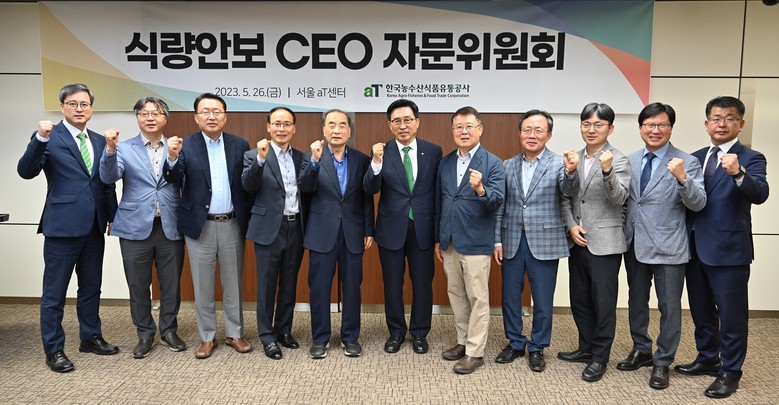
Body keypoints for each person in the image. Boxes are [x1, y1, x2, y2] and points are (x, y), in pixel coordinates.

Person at [17, 83, 118, 373]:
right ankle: (54, 349)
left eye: (84, 104)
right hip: (62, 227)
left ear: (91, 108)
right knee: (54, 293)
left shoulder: (98, 140)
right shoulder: (49, 137)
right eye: (72, 104)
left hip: (94, 226)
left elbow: (105, 182)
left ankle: (90, 337)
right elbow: (26, 171)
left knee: (91, 287)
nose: (79, 109)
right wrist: (40, 138)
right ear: (62, 107)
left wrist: (113, 216)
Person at [675, 96, 769, 398]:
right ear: (707, 124)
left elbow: (760, 194)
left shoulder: (751, 157)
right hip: (694, 248)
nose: (722, 124)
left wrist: (738, 173)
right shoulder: (695, 157)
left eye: (729, 118)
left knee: (732, 316)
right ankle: (707, 358)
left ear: (741, 124)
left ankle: (730, 372)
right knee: (701, 311)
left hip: (729, 251)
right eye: (716, 118)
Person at [617, 102, 706, 390]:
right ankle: (641, 349)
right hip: (634, 243)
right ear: (640, 128)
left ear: (671, 128)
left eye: (662, 125)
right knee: (636, 301)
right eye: (650, 125)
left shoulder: (686, 161)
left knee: (669, 307)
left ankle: (663, 360)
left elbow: (698, 203)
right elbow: (627, 202)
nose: (655, 130)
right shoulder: (630, 159)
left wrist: (682, 178)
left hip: (669, 246)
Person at [163, 93, 251, 359]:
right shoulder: (185, 145)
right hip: (199, 225)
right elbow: (172, 178)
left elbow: (246, 183)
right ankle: (207, 337)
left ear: (225, 116)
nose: (211, 116)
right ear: (196, 117)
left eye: (217, 111)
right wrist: (171, 157)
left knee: (233, 282)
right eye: (205, 111)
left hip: (231, 223)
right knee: (202, 284)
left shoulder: (239, 144)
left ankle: (235, 333)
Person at [493, 109, 579, 373]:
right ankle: (515, 342)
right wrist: (497, 241)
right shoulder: (507, 165)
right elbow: (501, 206)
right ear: (520, 133)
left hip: (545, 240)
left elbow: (568, 191)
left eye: (538, 130)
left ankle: (538, 346)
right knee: (510, 296)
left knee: (542, 299)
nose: (532, 135)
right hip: (511, 239)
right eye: (527, 130)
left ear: (548, 135)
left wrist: (572, 172)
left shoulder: (559, 164)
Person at [100, 97, 186, 359]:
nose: (150, 117)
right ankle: (145, 332)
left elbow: (182, 179)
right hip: (134, 226)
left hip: (170, 225)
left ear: (165, 118)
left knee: (171, 284)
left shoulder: (177, 146)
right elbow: (108, 177)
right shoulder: (123, 148)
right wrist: (110, 149)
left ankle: (169, 330)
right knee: (138, 284)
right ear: (137, 117)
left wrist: (173, 157)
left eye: (155, 113)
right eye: (144, 113)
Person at [557, 103, 631, 381]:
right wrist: (571, 226)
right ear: (580, 127)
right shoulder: (573, 157)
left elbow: (619, 198)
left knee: (603, 303)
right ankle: (586, 348)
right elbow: (565, 196)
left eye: (598, 125)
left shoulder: (619, 160)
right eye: (587, 124)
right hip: (577, 240)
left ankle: (600, 357)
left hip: (606, 243)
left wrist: (608, 171)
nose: (591, 129)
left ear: (610, 128)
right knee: (580, 300)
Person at [363, 99, 442, 355]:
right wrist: (376, 163)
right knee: (392, 284)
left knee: (423, 284)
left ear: (417, 122)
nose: (403, 125)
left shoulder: (433, 151)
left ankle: (419, 332)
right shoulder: (381, 151)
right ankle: (396, 332)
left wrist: (438, 234)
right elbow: (369, 188)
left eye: (408, 120)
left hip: (422, 229)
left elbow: (437, 193)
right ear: (389, 125)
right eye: (397, 121)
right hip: (391, 229)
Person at [299, 109, 374, 359]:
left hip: (352, 232)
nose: (337, 130)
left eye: (342, 125)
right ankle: (320, 338)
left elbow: (366, 197)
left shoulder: (361, 160)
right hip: (321, 233)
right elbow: (305, 188)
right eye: (331, 125)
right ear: (324, 129)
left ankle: (350, 337)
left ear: (349, 131)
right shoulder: (311, 157)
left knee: (352, 288)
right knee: (319, 288)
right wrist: (314, 161)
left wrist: (368, 229)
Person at [435, 106, 505, 374]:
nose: (464, 132)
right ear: (453, 130)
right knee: (456, 294)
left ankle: (475, 352)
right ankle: (463, 341)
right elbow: (441, 201)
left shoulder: (493, 163)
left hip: (476, 241)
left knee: (477, 297)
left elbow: (497, 201)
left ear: (480, 129)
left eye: (469, 126)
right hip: (450, 240)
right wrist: (439, 238)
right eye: (459, 127)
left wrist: (480, 189)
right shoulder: (445, 162)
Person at [241, 106, 305, 360]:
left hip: (295, 225)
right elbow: (248, 185)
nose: (281, 128)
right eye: (277, 124)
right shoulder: (253, 155)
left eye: (287, 124)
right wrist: (260, 158)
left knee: (289, 282)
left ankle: (284, 331)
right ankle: (267, 336)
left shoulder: (301, 157)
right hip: (269, 228)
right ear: (268, 127)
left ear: (294, 128)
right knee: (267, 285)